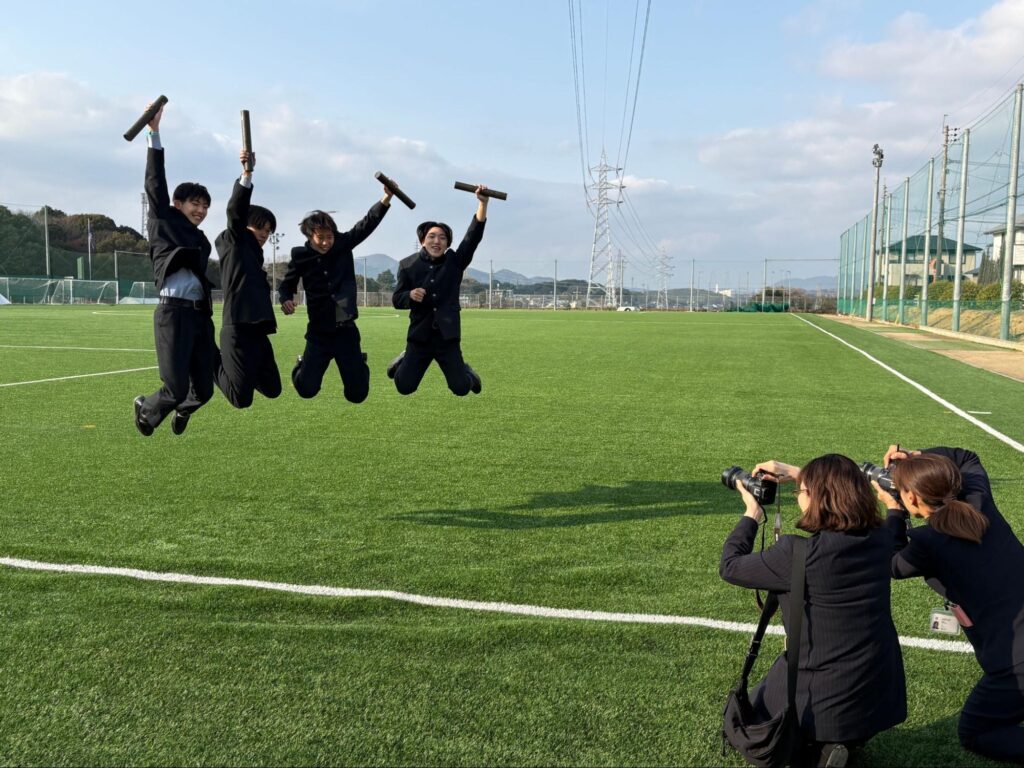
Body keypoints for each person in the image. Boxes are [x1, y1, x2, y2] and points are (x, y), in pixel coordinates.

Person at [720, 454, 907, 767]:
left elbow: (730, 566)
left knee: (753, 714)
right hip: (877, 693)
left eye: (801, 492)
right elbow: (897, 516)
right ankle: (845, 738)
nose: (798, 498)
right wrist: (798, 474)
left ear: (818, 498)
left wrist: (752, 512)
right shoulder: (883, 539)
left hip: (820, 694)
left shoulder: (798, 552)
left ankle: (818, 750)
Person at [878, 445, 1024, 763]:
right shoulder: (978, 498)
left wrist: (893, 512)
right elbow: (968, 457)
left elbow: (890, 564)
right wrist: (916, 457)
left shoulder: (928, 543)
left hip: (1016, 661)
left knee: (976, 731)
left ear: (913, 498)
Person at [133, 102, 215, 436]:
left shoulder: (201, 239)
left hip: (199, 316)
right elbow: (155, 183)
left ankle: (183, 411)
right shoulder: (163, 222)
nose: (201, 209)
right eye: (195, 203)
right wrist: (154, 134)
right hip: (172, 315)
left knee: (205, 391)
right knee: (175, 386)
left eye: (206, 206)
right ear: (177, 204)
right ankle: (145, 409)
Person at [278, 186, 392, 402]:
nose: (325, 242)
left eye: (329, 237)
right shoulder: (300, 255)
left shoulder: (343, 245)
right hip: (319, 332)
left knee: (357, 395)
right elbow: (286, 285)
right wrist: (286, 300)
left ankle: (360, 364)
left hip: (346, 330)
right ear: (309, 235)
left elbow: (367, 224)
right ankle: (302, 365)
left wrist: (385, 198)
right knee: (307, 390)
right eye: (320, 237)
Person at [386, 186, 488, 397]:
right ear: (423, 241)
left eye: (442, 237)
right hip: (419, 338)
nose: (436, 241)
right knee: (404, 387)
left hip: (447, 338)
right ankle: (404, 361)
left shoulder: (455, 262)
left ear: (447, 243)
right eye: (431, 236)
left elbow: (472, 237)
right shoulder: (407, 265)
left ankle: (467, 373)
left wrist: (482, 204)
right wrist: (409, 296)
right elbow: (396, 299)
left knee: (461, 389)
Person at [213, 148, 281, 409]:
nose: (265, 234)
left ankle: (240, 371)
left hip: (258, 331)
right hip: (238, 329)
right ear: (244, 227)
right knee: (241, 400)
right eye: (260, 227)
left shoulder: (255, 257)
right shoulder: (236, 242)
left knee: (273, 389)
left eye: (268, 230)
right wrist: (247, 174)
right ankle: (207, 355)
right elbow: (236, 211)